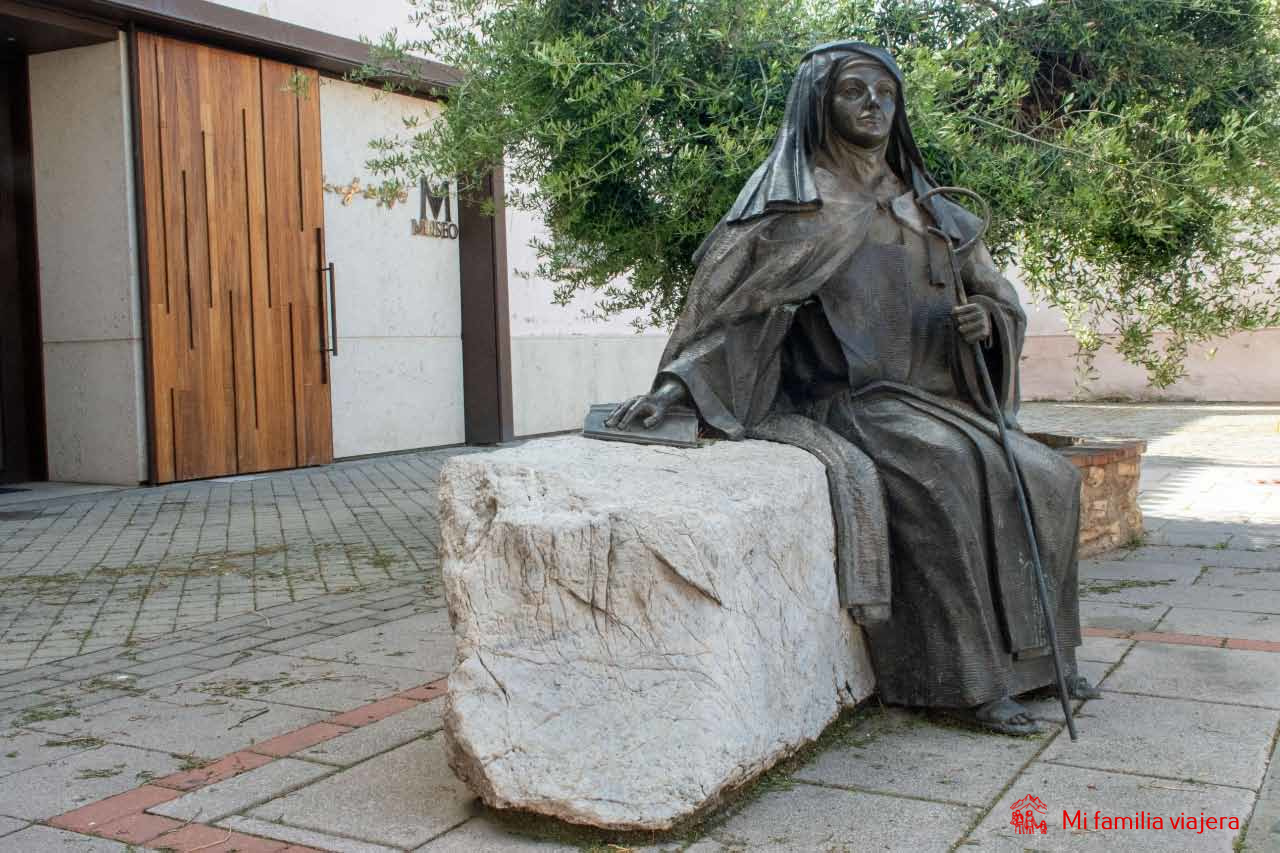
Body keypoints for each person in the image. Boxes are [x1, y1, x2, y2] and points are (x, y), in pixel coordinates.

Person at [607, 41, 1099, 735]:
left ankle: (1047, 660)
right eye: (854, 92)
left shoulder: (929, 205)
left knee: (1049, 478)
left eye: (886, 94)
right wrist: (681, 386)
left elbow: (999, 297)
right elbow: (731, 308)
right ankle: (966, 682)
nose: (874, 106)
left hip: (937, 398)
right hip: (851, 403)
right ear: (819, 102)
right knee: (946, 476)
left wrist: (987, 322)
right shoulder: (795, 203)